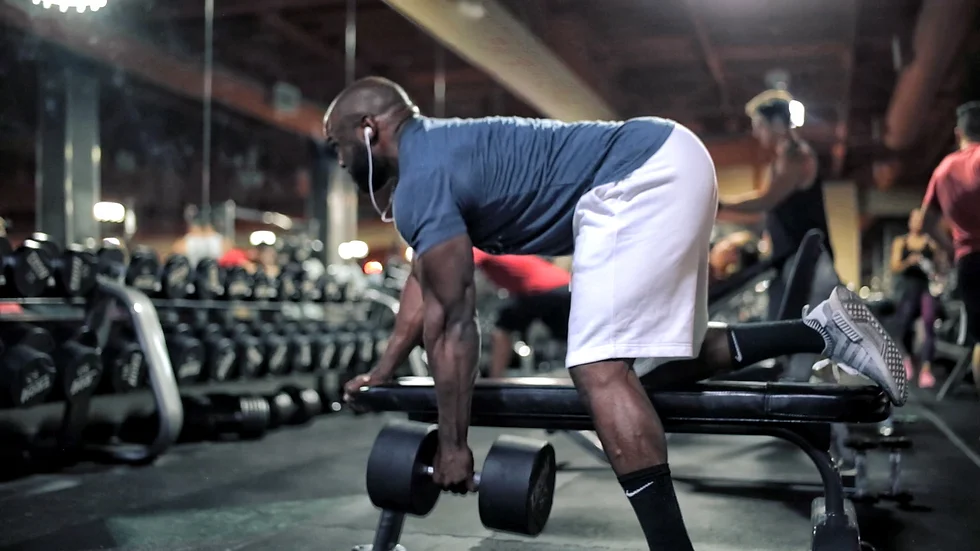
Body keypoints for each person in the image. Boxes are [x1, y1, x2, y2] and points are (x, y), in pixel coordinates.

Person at [330, 77, 905, 550]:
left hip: (638, 177)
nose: (337, 160)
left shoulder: (421, 176)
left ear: (369, 129)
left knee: (598, 369)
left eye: (337, 146)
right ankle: (819, 329)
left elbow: (454, 321)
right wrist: (382, 372)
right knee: (650, 366)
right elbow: (424, 293)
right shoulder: (434, 156)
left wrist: (454, 445)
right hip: (670, 160)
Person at [718, 89, 840, 381]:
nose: (755, 132)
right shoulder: (782, 160)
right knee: (781, 338)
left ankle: (816, 397)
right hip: (789, 261)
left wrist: (719, 204)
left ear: (776, 123)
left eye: (759, 125)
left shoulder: (797, 155)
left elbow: (767, 199)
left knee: (800, 349)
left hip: (809, 263)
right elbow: (768, 212)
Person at [920, 101, 980, 396]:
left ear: (959, 133)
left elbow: (925, 222)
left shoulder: (943, 170)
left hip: (969, 261)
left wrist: (952, 246)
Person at [470, 248, 572, 378]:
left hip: (542, 289)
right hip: (564, 286)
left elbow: (465, 260)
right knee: (565, 335)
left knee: (503, 326)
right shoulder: (504, 248)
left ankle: (495, 377)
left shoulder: (482, 248)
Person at [889, 208, 945, 388]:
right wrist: (909, 261)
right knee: (904, 325)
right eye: (916, 219)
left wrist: (936, 271)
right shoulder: (901, 242)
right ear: (910, 221)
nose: (919, 223)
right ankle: (908, 359)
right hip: (908, 289)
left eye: (921, 220)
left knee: (929, 323)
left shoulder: (931, 244)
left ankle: (926, 369)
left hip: (925, 289)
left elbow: (940, 268)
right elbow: (894, 266)